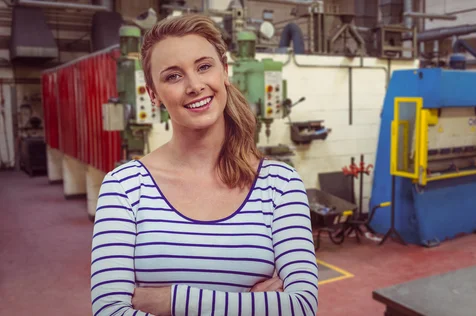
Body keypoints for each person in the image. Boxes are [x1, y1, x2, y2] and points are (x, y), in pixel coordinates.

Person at [90, 13, 318, 316]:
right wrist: (252, 307)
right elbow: (108, 312)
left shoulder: (280, 185)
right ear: (153, 95)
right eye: (173, 76)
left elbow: (301, 308)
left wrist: (172, 301)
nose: (195, 85)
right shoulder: (124, 188)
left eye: (204, 67)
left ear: (224, 72)